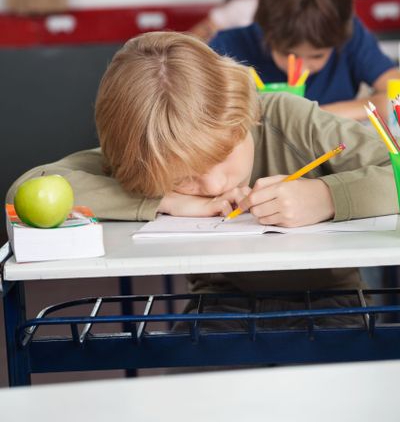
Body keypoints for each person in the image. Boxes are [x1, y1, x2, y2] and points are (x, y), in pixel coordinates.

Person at [7, 32, 398, 328]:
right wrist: (164, 201)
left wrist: (326, 196)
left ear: (245, 115)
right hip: (217, 305)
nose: (212, 185)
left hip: (336, 300)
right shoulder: (150, 151)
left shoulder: (287, 120)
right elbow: (28, 189)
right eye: (184, 179)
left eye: (222, 156)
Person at [209, 0, 400, 122]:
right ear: (266, 31)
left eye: (317, 56)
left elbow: (396, 93)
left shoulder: (349, 37)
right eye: (288, 54)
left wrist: (313, 117)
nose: (301, 69)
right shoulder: (227, 47)